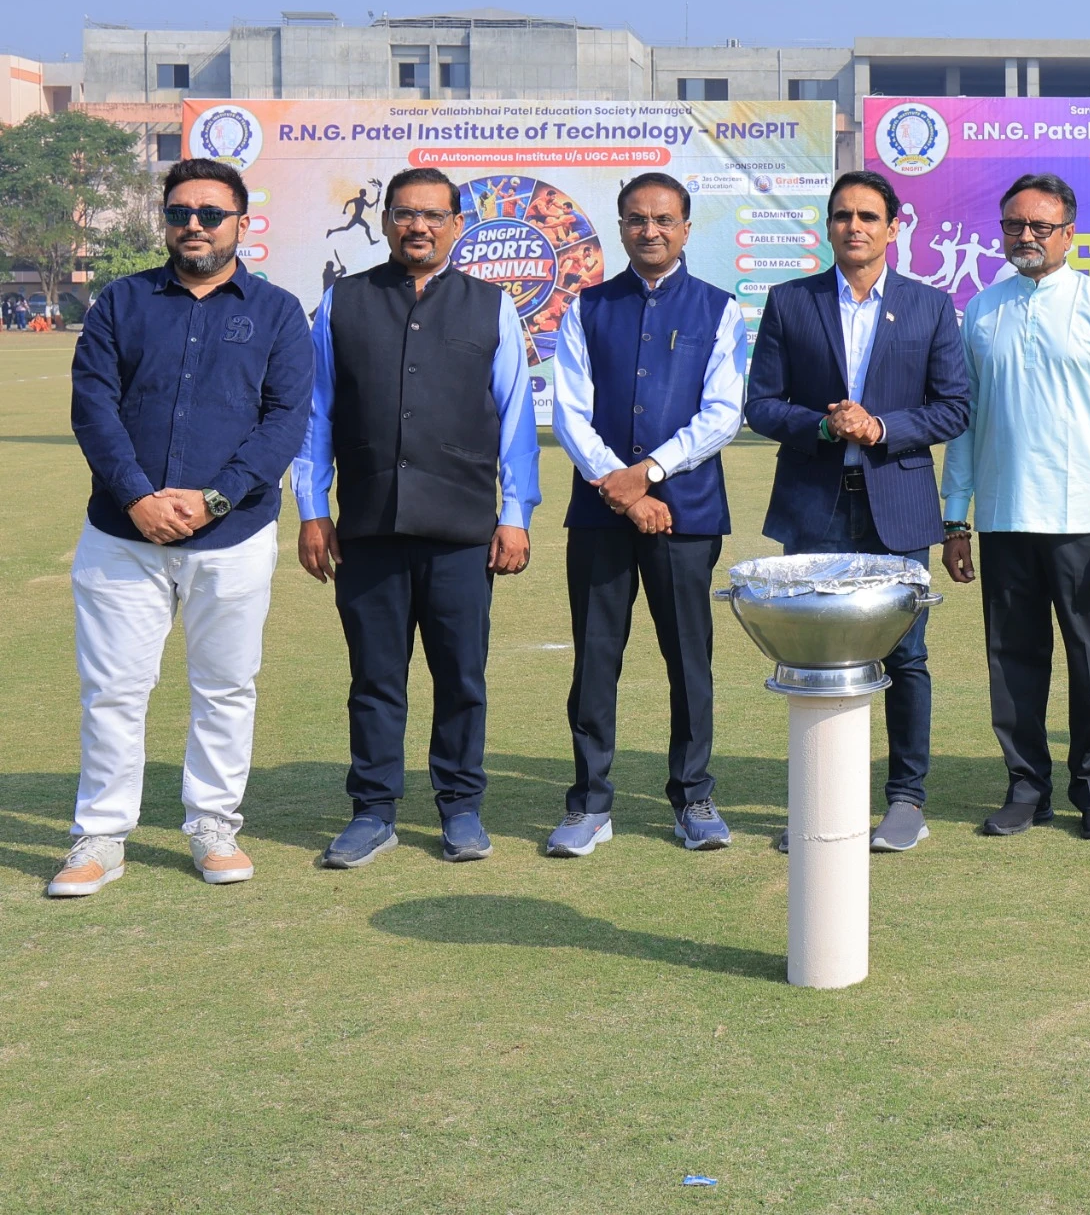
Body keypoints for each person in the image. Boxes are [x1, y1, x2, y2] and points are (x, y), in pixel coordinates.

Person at [49, 161, 314, 898]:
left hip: (232, 536)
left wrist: (215, 501)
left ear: (241, 224)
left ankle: (212, 825)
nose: (193, 225)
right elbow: (93, 407)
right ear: (165, 220)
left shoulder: (278, 312)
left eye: (209, 213)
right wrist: (137, 497)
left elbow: (284, 420)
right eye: (178, 213)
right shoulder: (121, 301)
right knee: (113, 690)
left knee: (225, 686)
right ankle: (101, 836)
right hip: (121, 534)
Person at [292, 166, 541, 868]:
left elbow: (516, 420)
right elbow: (315, 414)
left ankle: (460, 807)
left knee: (461, 677)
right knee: (375, 679)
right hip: (367, 528)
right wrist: (312, 509)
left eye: (433, 215)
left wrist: (516, 513)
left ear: (457, 225)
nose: (418, 227)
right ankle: (373, 811)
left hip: (463, 530)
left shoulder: (491, 306)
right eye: (405, 214)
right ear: (386, 222)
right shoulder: (342, 303)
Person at [746, 170, 969, 853]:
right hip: (814, 505)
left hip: (896, 507)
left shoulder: (930, 306)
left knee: (907, 654)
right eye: (842, 215)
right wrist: (823, 424)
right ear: (828, 226)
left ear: (893, 228)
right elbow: (761, 405)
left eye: (868, 216)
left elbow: (954, 407)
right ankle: (818, 800)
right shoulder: (790, 302)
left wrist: (881, 428)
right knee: (814, 655)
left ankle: (905, 800)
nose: (854, 227)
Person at [543, 172, 748, 860]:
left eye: (663, 220)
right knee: (596, 657)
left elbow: (722, 414)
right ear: (622, 226)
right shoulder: (588, 305)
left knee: (688, 659)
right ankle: (589, 802)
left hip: (686, 514)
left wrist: (650, 473)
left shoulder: (719, 308)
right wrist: (623, 489)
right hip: (601, 512)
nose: (650, 231)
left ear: (686, 228)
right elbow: (569, 411)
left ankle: (693, 796)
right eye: (637, 219)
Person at [940, 174, 1090, 840]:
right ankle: (1026, 788)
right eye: (1014, 225)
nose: (1025, 236)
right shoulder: (983, 311)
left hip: (1087, 522)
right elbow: (965, 424)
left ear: (1069, 233)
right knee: (1012, 662)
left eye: (1040, 226)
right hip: (1004, 519)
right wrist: (956, 518)